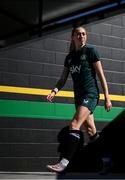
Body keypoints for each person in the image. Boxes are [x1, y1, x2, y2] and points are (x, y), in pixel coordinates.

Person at [46, 25, 112, 173]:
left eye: (84, 34)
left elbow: (101, 76)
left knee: (74, 124)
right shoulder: (69, 58)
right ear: (73, 37)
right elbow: (62, 79)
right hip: (79, 98)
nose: (81, 36)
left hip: (91, 94)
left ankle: (63, 163)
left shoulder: (90, 52)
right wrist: (54, 91)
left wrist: (107, 97)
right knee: (91, 131)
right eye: (78, 34)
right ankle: (107, 160)